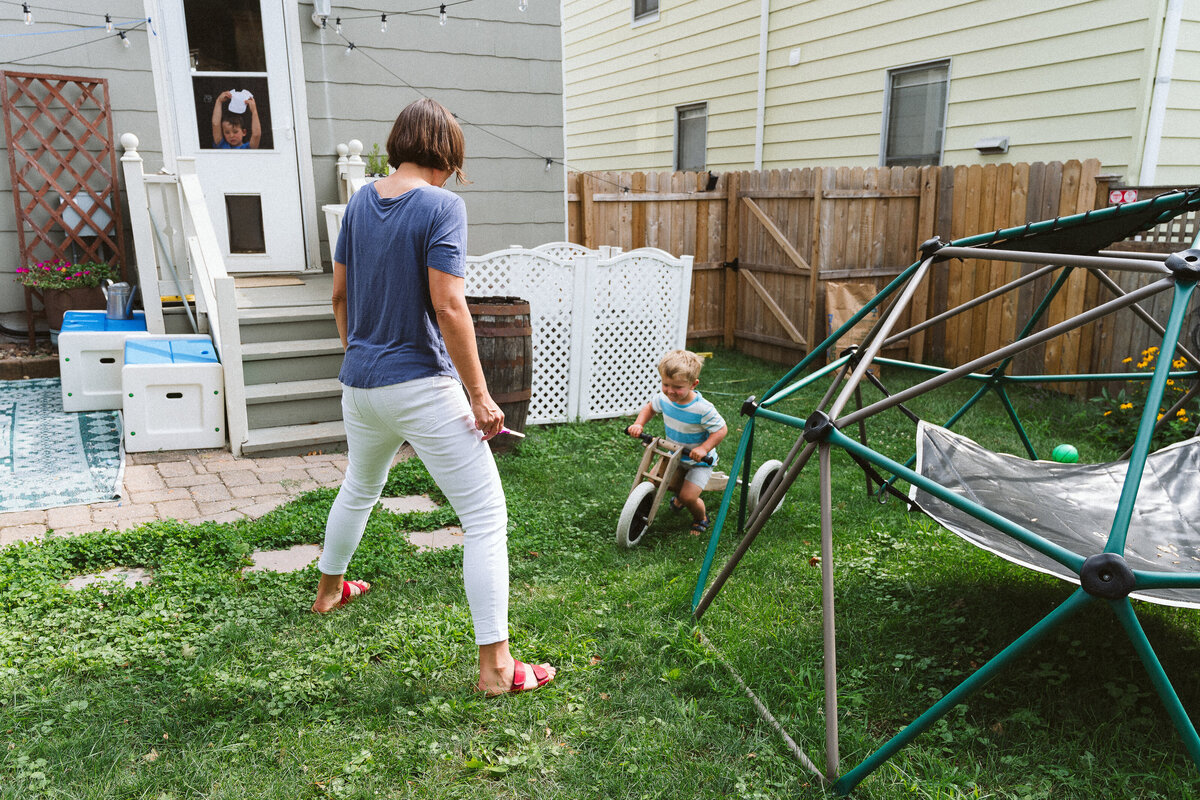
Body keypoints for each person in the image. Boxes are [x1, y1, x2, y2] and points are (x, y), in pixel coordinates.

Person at [310, 97, 554, 697]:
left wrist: (360, 352)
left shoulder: (359, 202)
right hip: (420, 384)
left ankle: (329, 592)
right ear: (446, 154)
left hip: (359, 384)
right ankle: (497, 669)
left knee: (359, 487)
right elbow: (449, 306)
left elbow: (339, 296)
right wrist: (481, 396)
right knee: (485, 517)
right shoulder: (442, 206)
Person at [627, 350, 728, 535]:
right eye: (666, 384)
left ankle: (701, 518)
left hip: (699, 462)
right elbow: (650, 408)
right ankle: (679, 495)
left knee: (688, 497)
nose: (670, 391)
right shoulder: (664, 399)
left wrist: (703, 448)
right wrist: (639, 424)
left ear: (693, 384)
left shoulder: (702, 409)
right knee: (655, 480)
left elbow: (721, 430)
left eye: (678, 387)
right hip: (675, 454)